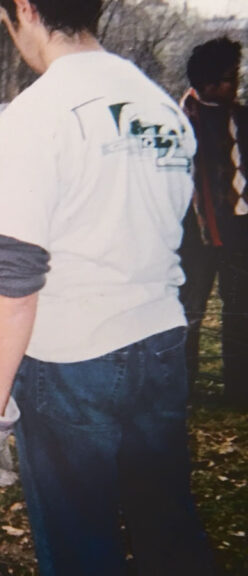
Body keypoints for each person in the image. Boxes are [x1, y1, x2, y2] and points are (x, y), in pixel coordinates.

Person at [0, 0, 216, 574]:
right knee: (168, 532)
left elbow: (16, 278)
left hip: (71, 361)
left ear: (24, 9)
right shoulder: (161, 105)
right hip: (162, 346)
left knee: (81, 547)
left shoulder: (37, 112)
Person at [179, 36, 248, 408]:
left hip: (239, 235)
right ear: (205, 82)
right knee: (189, 312)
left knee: (240, 312)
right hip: (193, 238)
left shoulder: (241, 117)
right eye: (226, 78)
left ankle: (239, 391)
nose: (233, 84)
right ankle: (184, 392)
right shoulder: (177, 120)